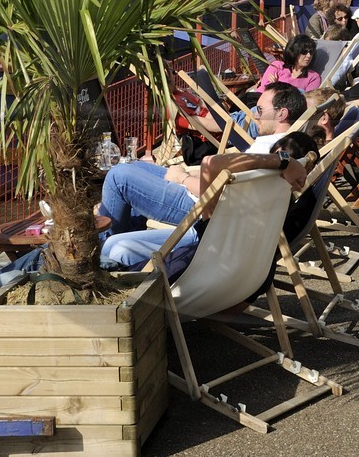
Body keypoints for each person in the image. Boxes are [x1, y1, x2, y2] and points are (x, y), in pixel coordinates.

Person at [99, 130, 319, 277]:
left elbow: (211, 163)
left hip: (205, 247)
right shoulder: (280, 201)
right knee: (128, 176)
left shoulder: (261, 195)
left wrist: (281, 162)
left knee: (113, 245)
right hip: (210, 242)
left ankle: (100, 264)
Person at [101, 83, 308, 233]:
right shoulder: (284, 146)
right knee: (136, 167)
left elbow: (223, 194)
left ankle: (104, 249)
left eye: (260, 110)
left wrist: (183, 178)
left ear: (281, 114)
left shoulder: (272, 151)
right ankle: (126, 233)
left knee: (119, 176)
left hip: (201, 207)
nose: (255, 115)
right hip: (204, 194)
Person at [254, 34, 322, 94]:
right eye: (304, 52)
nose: (309, 56)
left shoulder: (313, 78)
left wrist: (277, 86)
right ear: (294, 52)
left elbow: (307, 99)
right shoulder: (277, 66)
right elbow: (264, 88)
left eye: (311, 52)